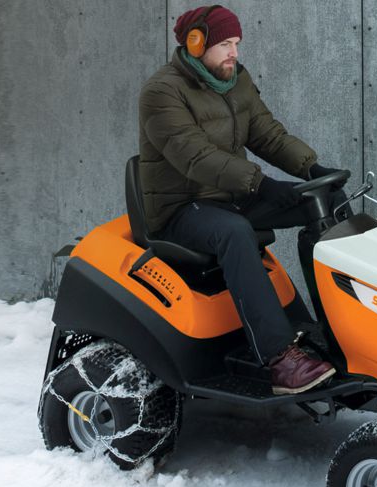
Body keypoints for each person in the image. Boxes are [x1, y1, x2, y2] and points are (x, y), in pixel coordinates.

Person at [137, 5, 343, 395]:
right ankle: (279, 358)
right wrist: (263, 185)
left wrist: (312, 170)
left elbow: (267, 134)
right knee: (234, 232)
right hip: (181, 208)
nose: (234, 52)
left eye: (237, 43)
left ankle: (341, 328)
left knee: (325, 201)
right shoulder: (161, 93)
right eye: (226, 44)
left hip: (233, 194)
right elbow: (195, 156)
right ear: (195, 45)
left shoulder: (234, 80)